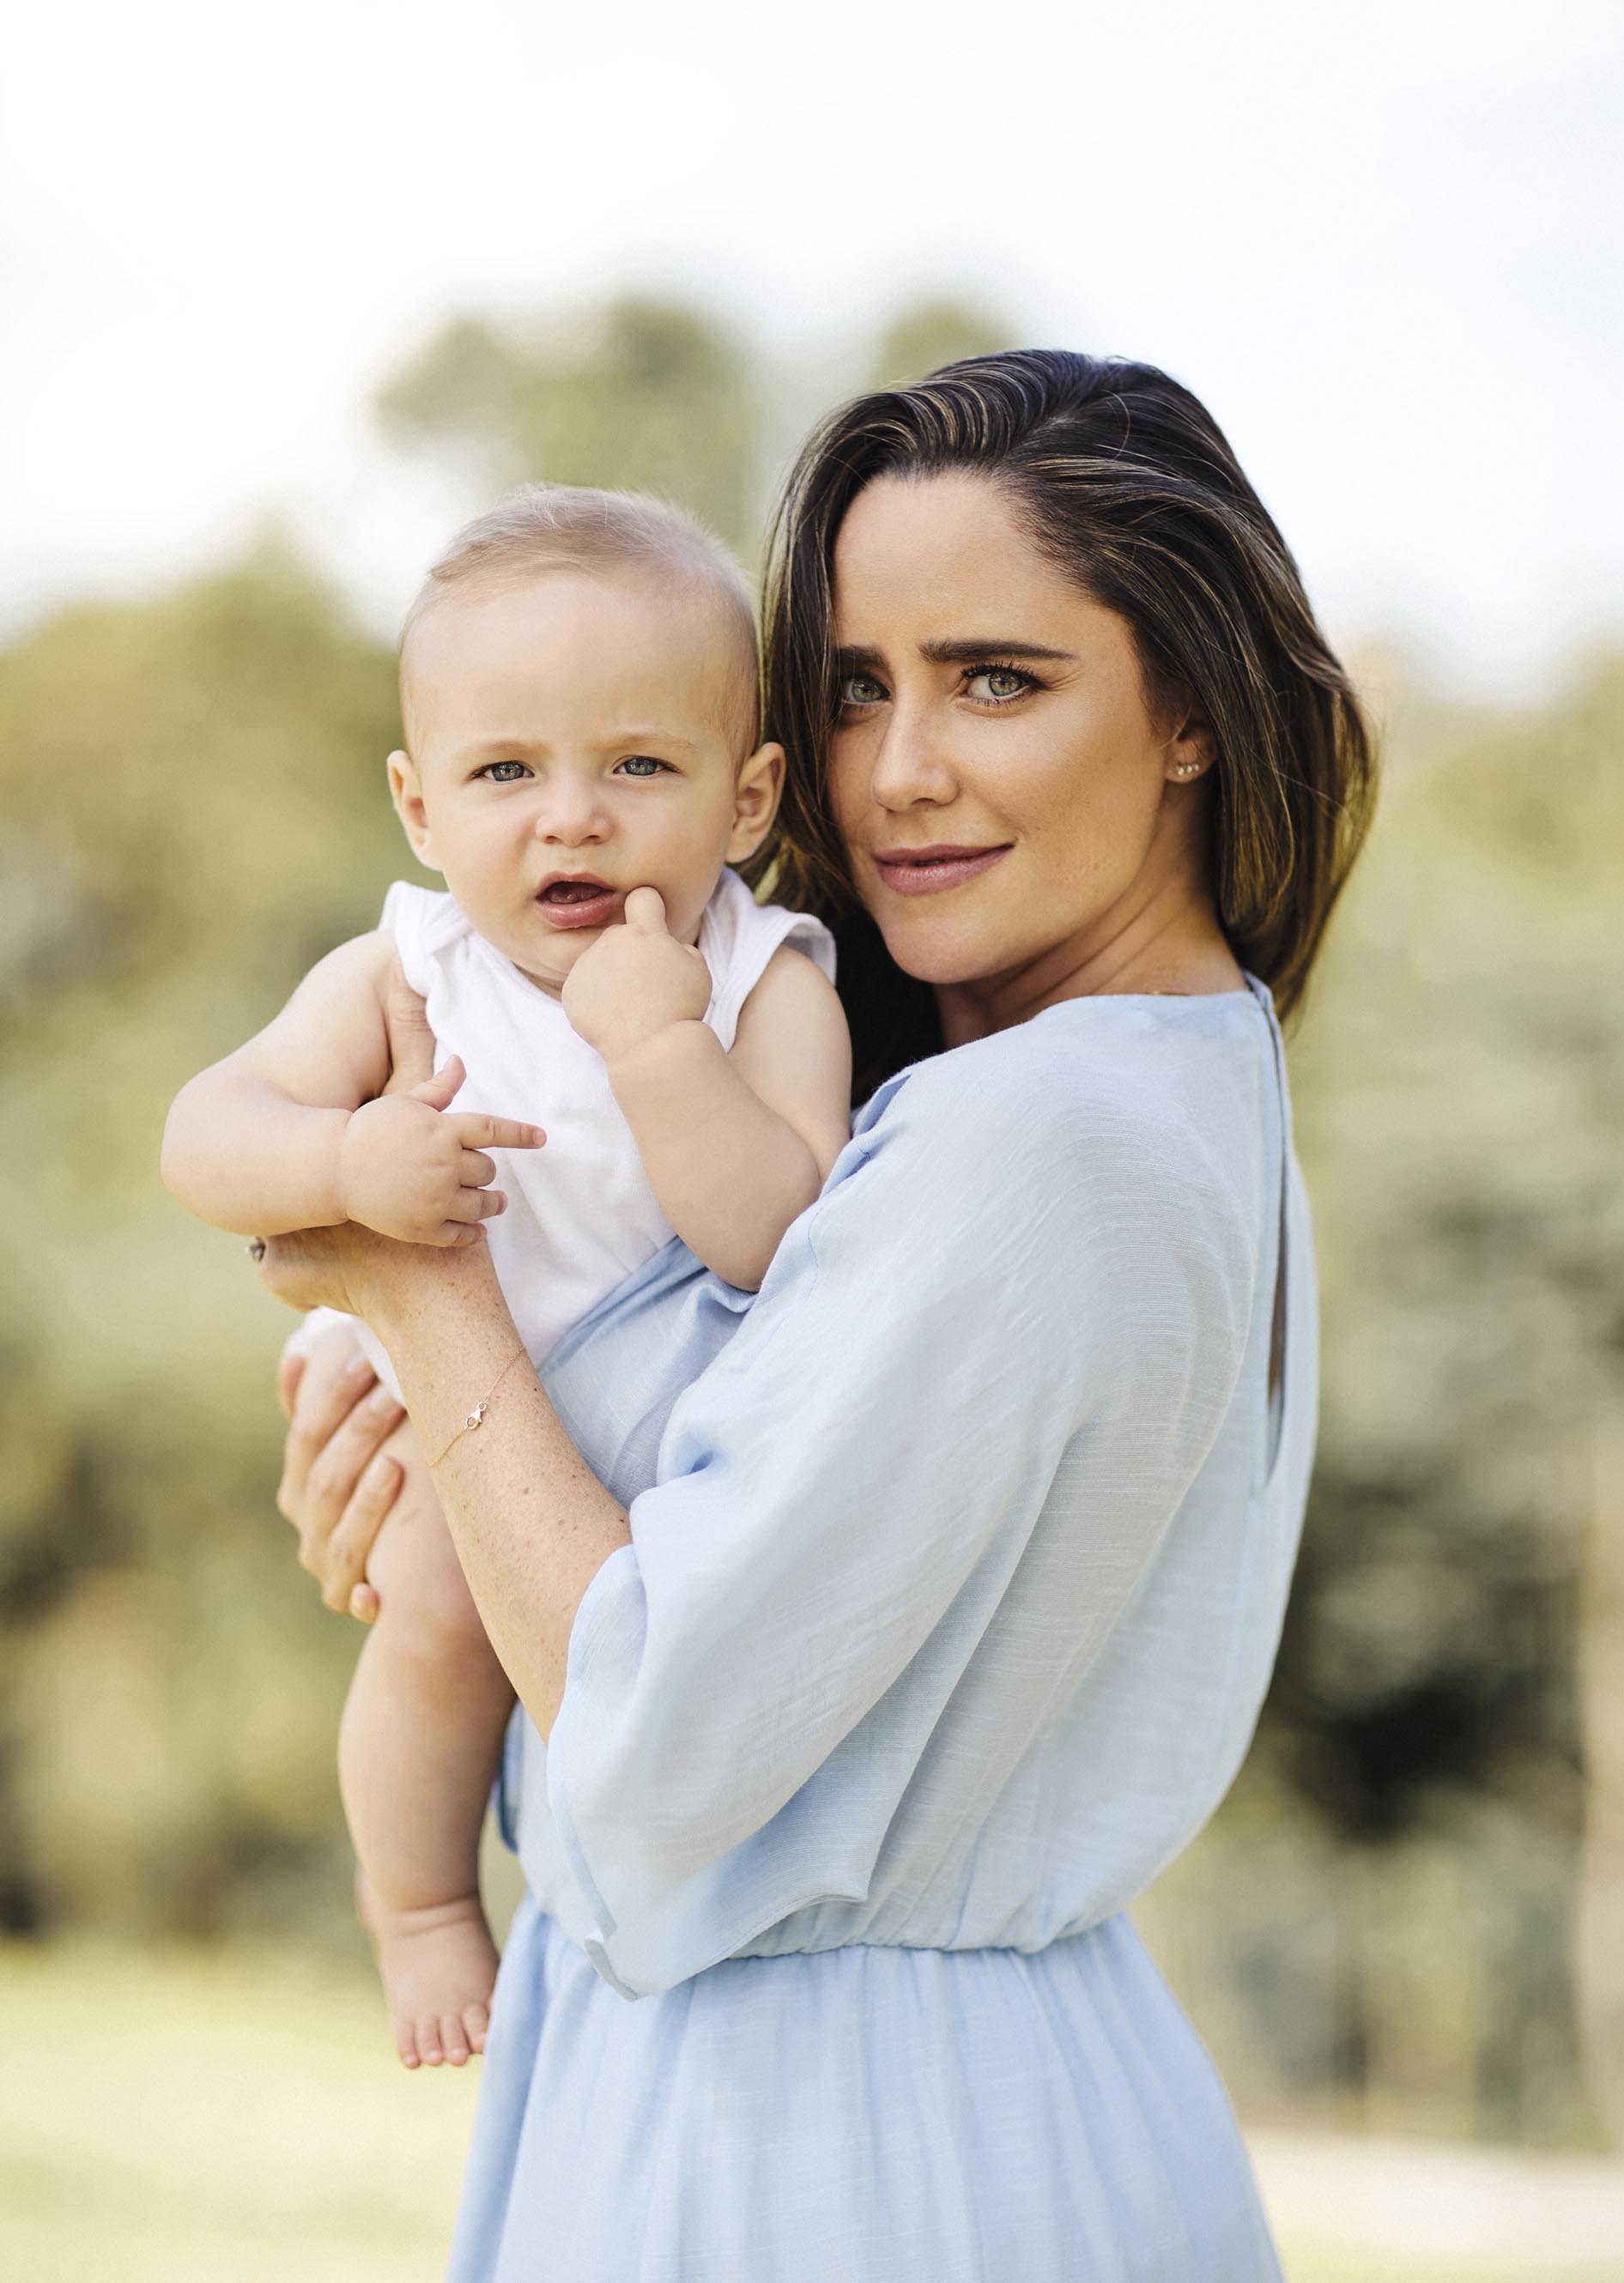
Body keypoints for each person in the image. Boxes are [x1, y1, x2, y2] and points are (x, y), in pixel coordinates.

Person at [263, 350, 1376, 2280]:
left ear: (1190, 707)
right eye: (855, 687)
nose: (896, 771)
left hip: (833, 2154)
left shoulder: (1015, 1140)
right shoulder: (1189, 1081)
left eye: (995, 680)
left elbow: (648, 1767)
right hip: (1004, 2096)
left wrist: (422, 1298)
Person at [161, 487, 849, 2068]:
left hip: (666, 1453)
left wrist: (657, 1039)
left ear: (746, 800)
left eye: (639, 767)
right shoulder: (410, 970)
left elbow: (774, 1235)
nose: (573, 817)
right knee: (441, 1619)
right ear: (418, 807)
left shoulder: (765, 981)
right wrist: (342, 1170)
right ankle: (415, 1904)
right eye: (505, 772)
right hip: (449, 1433)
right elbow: (208, 1135)